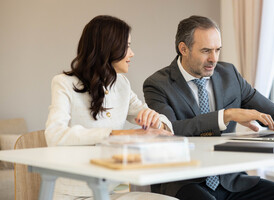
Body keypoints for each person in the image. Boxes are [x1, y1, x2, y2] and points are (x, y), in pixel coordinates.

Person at [143, 15, 274, 200]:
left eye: (217, 50)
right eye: (206, 50)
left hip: (230, 180)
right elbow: (169, 130)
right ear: (183, 48)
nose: (213, 59)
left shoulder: (229, 74)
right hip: (184, 181)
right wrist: (225, 116)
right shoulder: (158, 84)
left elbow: (272, 112)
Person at [45, 15, 176, 200]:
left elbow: (157, 118)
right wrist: (119, 134)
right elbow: (54, 135)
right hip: (75, 195)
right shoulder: (64, 83)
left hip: (113, 191)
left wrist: (156, 121)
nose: (132, 53)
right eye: (127, 46)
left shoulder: (121, 84)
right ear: (108, 47)